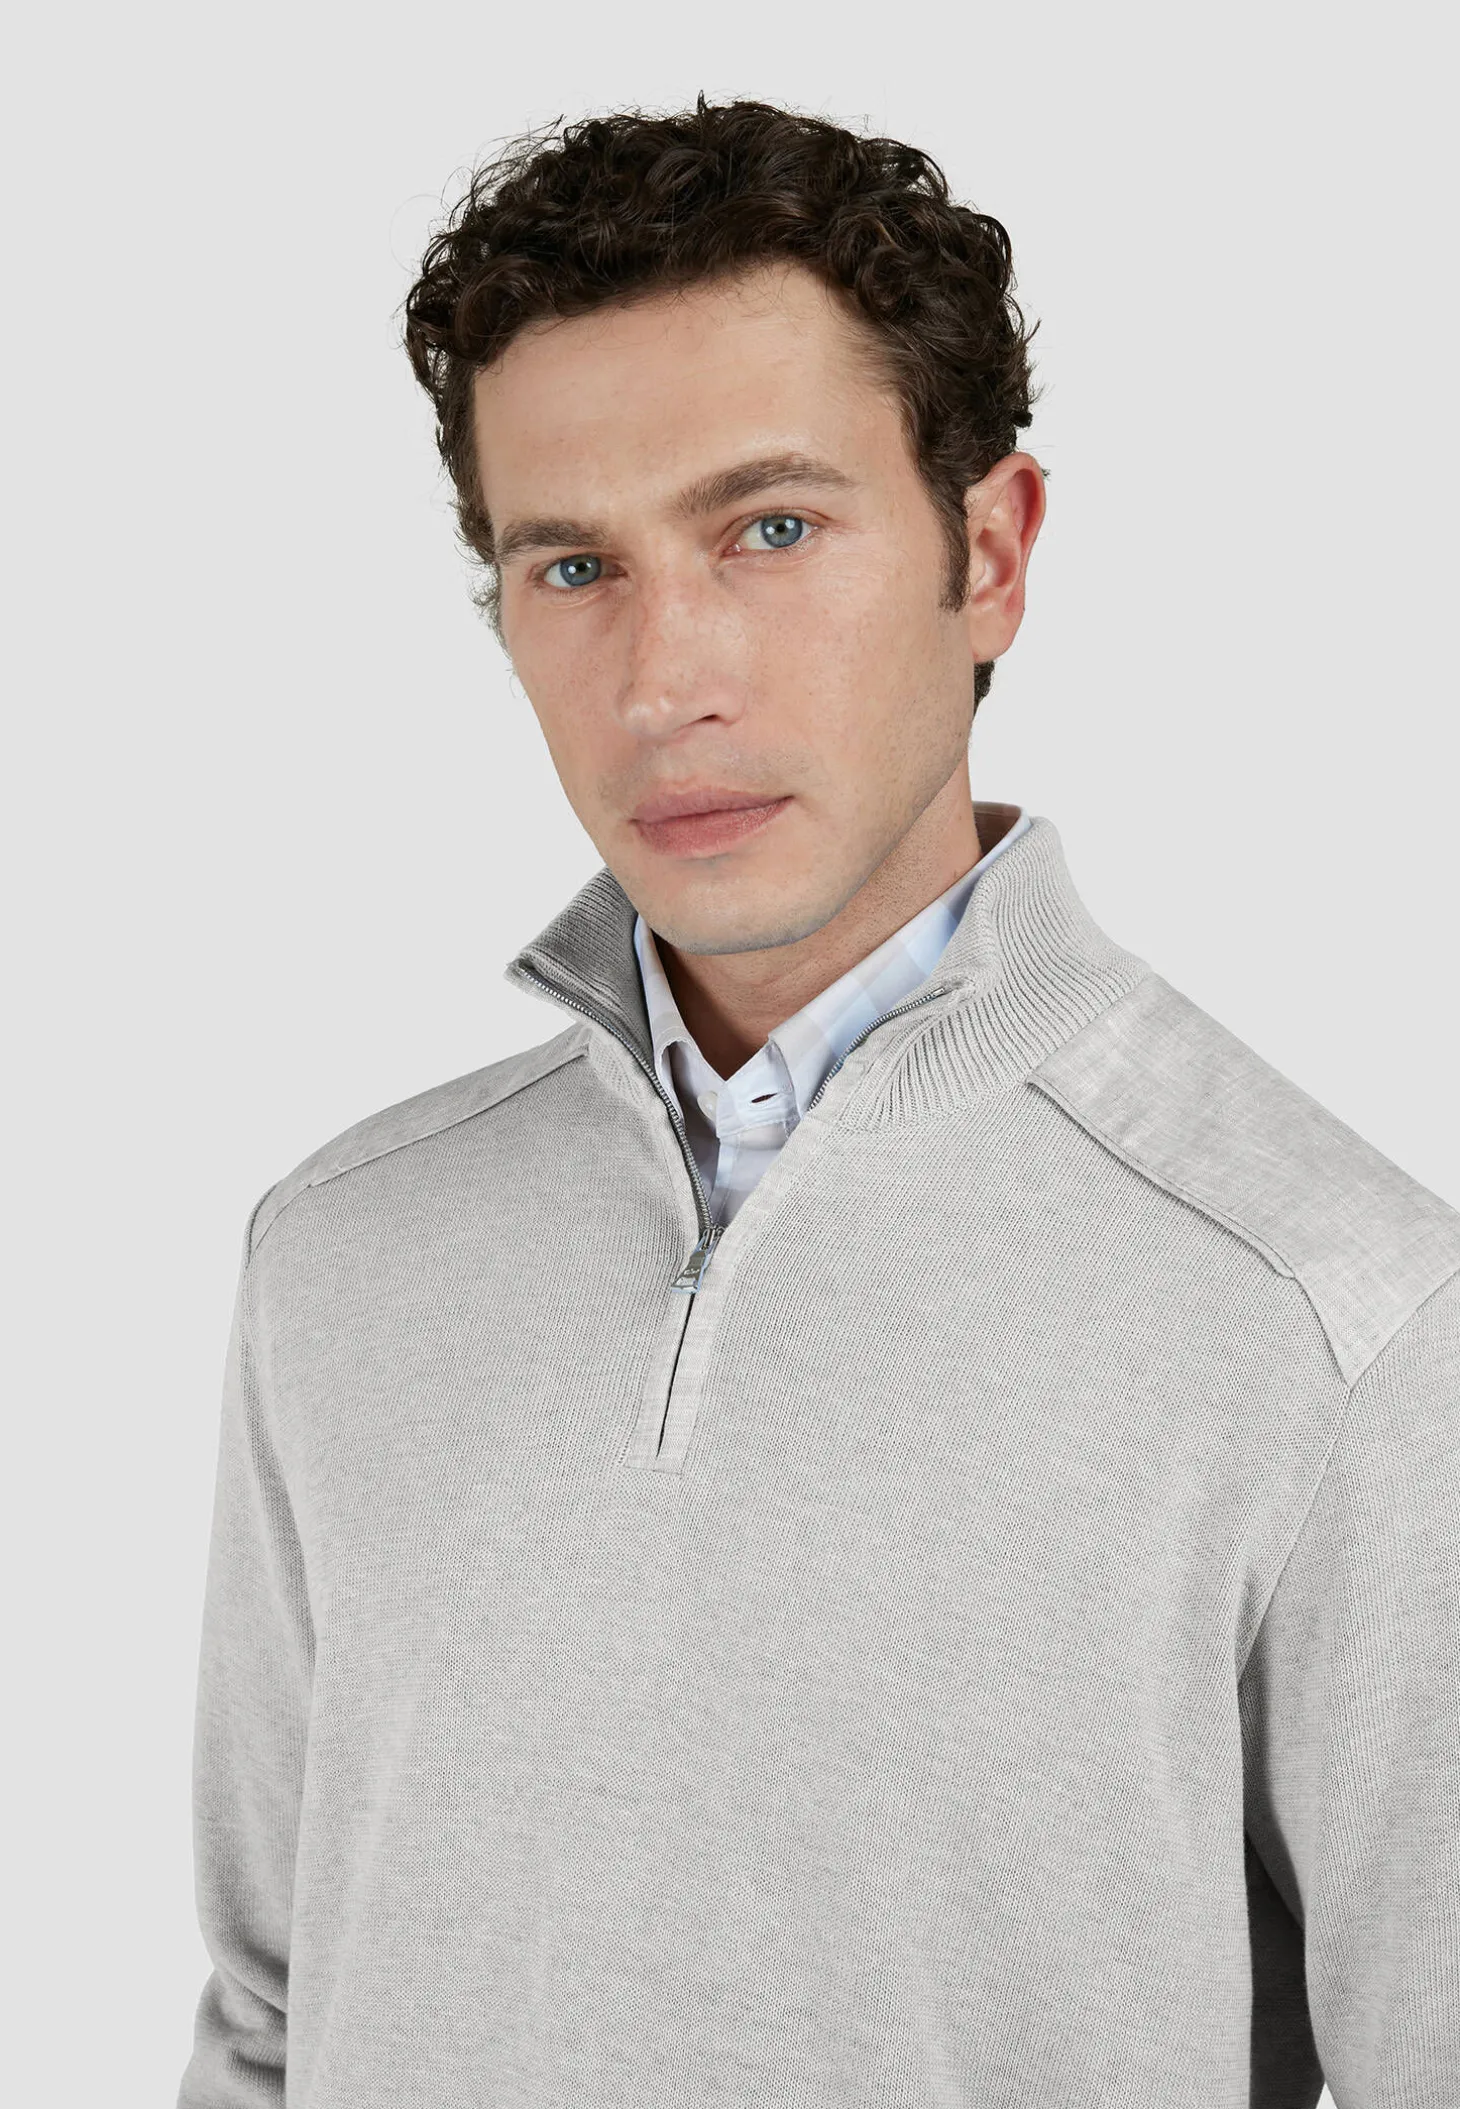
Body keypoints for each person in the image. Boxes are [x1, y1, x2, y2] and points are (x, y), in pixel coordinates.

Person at [177, 95, 1460, 2109]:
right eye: (572, 563)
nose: (663, 676)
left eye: (769, 530)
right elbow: (269, 2014)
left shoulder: (1337, 1313)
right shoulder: (340, 1251)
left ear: (990, 554)